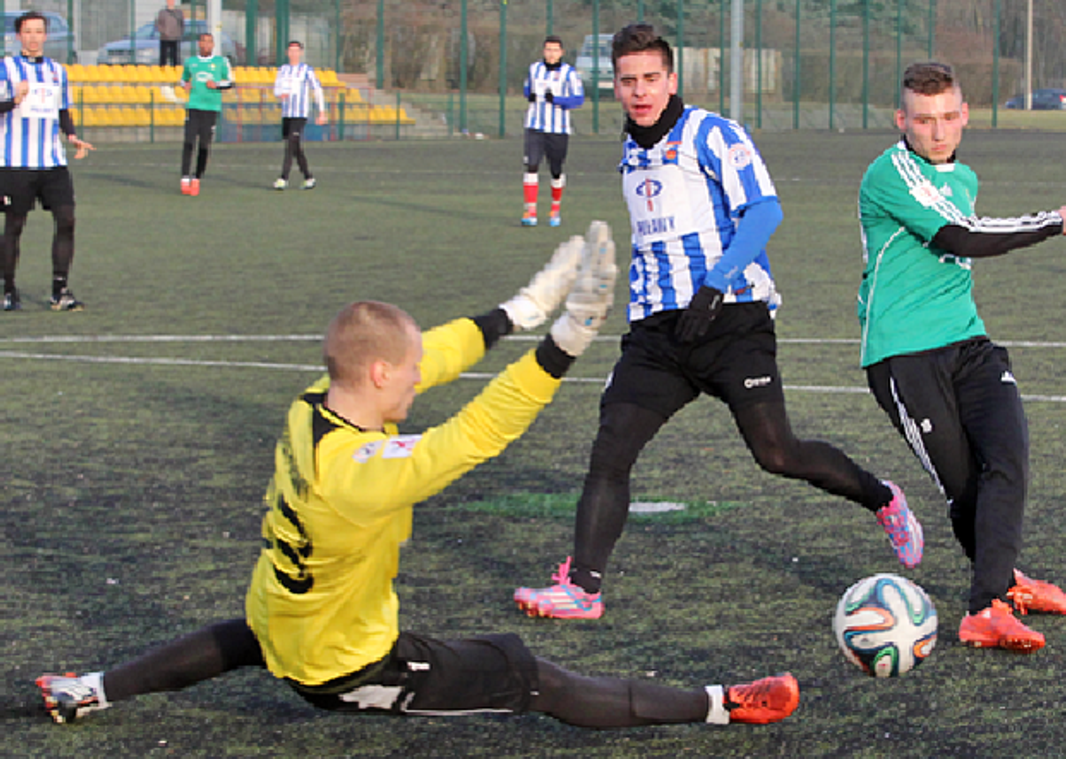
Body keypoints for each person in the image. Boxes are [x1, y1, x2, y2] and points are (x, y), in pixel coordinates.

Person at [37, 222, 800, 730]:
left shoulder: (314, 405)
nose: (415, 383)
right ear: (376, 372)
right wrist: (564, 342)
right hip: (348, 665)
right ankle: (721, 705)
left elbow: (420, 355)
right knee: (527, 673)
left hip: (281, 616)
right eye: (403, 377)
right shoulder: (359, 475)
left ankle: (91, 688)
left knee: (244, 637)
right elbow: (472, 435)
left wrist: (521, 308)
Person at [514, 24, 923, 621]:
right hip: (659, 335)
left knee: (776, 452)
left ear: (671, 79)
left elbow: (764, 209)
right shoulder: (630, 149)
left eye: (651, 78)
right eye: (628, 81)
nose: (639, 91)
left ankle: (883, 499)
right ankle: (582, 588)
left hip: (731, 321)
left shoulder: (710, 132)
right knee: (610, 451)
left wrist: (717, 281)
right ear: (616, 88)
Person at [856, 61, 1066, 652]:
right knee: (967, 491)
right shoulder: (888, 174)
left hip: (969, 342)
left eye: (948, 117)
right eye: (923, 120)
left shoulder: (965, 175)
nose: (937, 131)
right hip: (903, 355)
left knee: (1008, 458)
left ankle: (990, 602)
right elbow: (961, 236)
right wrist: (1050, 223)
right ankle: (1001, 585)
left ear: (964, 116)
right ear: (902, 120)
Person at [0, 10, 95, 313]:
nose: (33, 37)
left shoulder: (57, 71)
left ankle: (60, 291)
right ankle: (9, 290)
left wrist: (72, 136)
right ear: (19, 36)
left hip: (52, 162)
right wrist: (12, 100)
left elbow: (62, 111)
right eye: (27, 31)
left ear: (45, 35)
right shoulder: (6, 69)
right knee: (14, 225)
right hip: (15, 163)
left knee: (67, 219)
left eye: (38, 31)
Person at [520, 35, 584, 228]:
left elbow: (578, 99)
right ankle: (530, 211)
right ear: (543, 51)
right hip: (534, 126)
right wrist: (528, 94)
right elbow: (526, 88)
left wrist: (556, 100)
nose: (551, 53)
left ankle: (555, 208)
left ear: (561, 52)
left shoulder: (569, 73)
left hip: (558, 128)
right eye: (548, 49)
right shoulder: (534, 69)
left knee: (556, 170)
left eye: (555, 50)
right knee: (531, 165)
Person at [178, 33, 232, 197]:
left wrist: (216, 84)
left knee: (204, 144)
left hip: (211, 107)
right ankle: (184, 177)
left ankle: (197, 177)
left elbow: (230, 82)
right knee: (189, 140)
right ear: (199, 44)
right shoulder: (191, 62)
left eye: (209, 42)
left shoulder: (221, 62)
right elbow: (183, 79)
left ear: (213, 45)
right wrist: (185, 84)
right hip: (194, 106)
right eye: (204, 42)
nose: (206, 45)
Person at [272, 41, 327, 191]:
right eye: (291, 51)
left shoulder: (306, 70)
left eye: (296, 51)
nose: (293, 54)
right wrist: (280, 94)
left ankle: (283, 178)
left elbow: (317, 90)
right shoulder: (282, 70)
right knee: (295, 147)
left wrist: (321, 112)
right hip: (287, 114)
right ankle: (308, 177)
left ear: (301, 53)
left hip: (300, 114)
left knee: (290, 144)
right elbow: (276, 89)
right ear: (287, 53)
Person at [155, 0, 185, 68]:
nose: (170, 2)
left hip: (175, 37)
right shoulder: (162, 13)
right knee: (163, 55)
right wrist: (164, 32)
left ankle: (175, 69)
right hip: (165, 37)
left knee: (175, 55)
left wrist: (179, 33)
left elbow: (182, 24)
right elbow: (158, 24)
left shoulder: (179, 13)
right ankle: (162, 69)